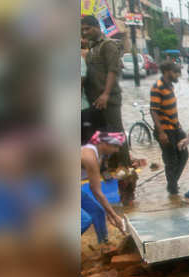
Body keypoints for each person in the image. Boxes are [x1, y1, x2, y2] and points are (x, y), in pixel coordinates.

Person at [81, 15, 130, 168]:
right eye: (82, 30)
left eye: (87, 29)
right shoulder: (92, 47)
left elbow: (112, 71)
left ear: (97, 27)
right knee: (102, 137)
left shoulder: (107, 45)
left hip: (109, 99)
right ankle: (112, 166)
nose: (84, 32)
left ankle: (125, 169)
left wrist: (106, 94)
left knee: (116, 134)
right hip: (95, 101)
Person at [150, 61, 189, 195]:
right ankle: (173, 192)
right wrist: (161, 132)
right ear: (167, 72)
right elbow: (154, 110)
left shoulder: (170, 86)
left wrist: (178, 125)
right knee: (171, 161)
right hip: (165, 130)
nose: (178, 75)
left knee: (184, 155)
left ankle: (172, 184)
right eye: (176, 72)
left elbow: (171, 109)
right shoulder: (158, 87)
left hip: (175, 128)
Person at [81, 131, 126, 245]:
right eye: (115, 146)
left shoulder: (95, 154)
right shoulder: (90, 157)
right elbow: (96, 190)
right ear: (104, 144)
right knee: (84, 220)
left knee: (98, 212)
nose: (116, 150)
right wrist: (115, 216)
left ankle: (104, 245)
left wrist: (109, 213)